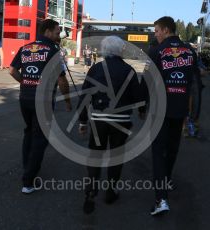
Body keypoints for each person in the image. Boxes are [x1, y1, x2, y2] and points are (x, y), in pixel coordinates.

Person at [77, 36, 146, 214]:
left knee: (95, 155)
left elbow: (85, 96)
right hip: (121, 121)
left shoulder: (95, 69)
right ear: (120, 50)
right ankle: (111, 190)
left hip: (99, 120)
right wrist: (141, 110)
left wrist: (83, 120)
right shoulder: (129, 70)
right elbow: (138, 96)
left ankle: (91, 188)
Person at [9, 19, 67, 194]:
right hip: (43, 100)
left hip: (25, 97)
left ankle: (28, 166)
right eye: (57, 32)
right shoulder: (53, 51)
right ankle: (28, 180)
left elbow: (12, 70)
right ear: (48, 32)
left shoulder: (25, 48)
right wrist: (69, 100)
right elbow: (62, 79)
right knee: (40, 137)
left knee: (29, 131)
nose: (59, 36)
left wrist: (25, 83)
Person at [149, 16, 198, 215]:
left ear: (167, 30)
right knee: (172, 148)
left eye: (157, 30)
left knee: (158, 152)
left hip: (160, 110)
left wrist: (143, 107)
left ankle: (161, 199)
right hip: (180, 109)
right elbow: (195, 86)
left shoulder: (157, 51)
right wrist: (193, 114)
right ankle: (166, 180)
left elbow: (148, 81)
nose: (156, 34)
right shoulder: (190, 51)